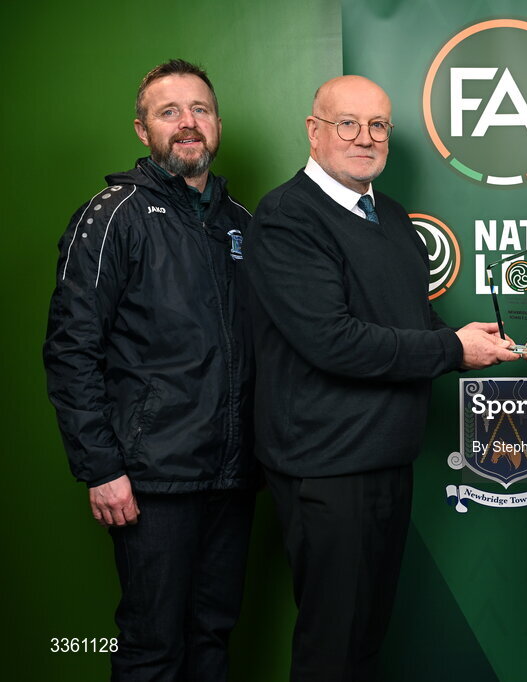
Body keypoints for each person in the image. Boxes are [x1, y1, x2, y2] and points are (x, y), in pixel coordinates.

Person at [244, 75, 518, 681]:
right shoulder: (288, 218)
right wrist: (451, 348)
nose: (364, 138)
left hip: (387, 458)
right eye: (347, 123)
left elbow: (409, 321)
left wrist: (465, 340)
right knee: (333, 649)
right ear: (314, 132)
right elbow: (333, 341)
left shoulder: (390, 215)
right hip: (327, 467)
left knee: (366, 641)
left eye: (378, 126)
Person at [43, 59, 257, 681]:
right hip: (151, 481)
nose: (188, 123)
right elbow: (71, 349)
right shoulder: (113, 216)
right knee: (153, 649)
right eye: (169, 112)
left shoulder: (242, 223)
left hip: (232, 477)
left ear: (217, 124)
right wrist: (102, 468)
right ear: (143, 130)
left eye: (200, 110)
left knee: (212, 638)